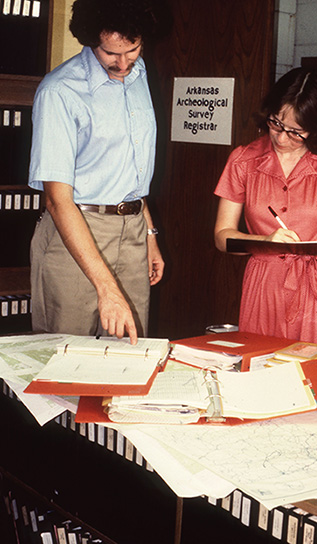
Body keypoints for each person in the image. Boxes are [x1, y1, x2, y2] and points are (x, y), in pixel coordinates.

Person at [28, 0, 165, 344]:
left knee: (129, 356)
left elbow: (128, 166)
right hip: (75, 231)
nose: (123, 64)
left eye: (132, 50)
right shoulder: (60, 91)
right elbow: (58, 201)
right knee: (65, 363)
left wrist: (149, 234)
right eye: (110, 53)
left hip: (132, 230)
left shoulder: (139, 74)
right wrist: (107, 287)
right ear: (90, 41)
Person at [214, 67, 317, 386]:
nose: (280, 137)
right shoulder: (243, 160)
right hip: (265, 286)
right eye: (276, 123)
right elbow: (222, 237)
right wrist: (264, 240)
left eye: (296, 131)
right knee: (262, 384)